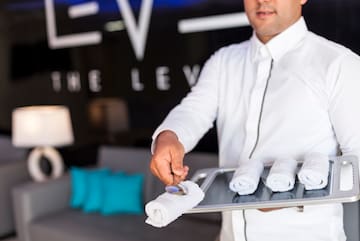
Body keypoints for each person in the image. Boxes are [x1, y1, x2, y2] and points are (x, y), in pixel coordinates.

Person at [149, 0, 360, 240]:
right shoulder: (223, 61)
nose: (263, 1)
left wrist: (297, 192)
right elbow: (194, 111)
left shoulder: (338, 64)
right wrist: (169, 136)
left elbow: (358, 158)